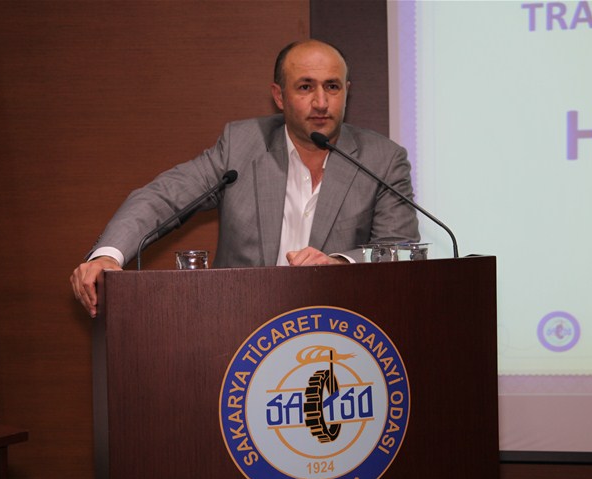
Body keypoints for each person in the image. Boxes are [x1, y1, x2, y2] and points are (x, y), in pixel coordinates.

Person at [71, 39, 419, 317]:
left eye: (332, 86)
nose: (321, 102)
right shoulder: (241, 145)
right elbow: (162, 197)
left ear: (347, 91)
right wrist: (108, 256)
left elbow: (402, 252)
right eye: (305, 87)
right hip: (242, 327)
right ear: (279, 96)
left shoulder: (382, 159)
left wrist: (341, 264)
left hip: (341, 329)